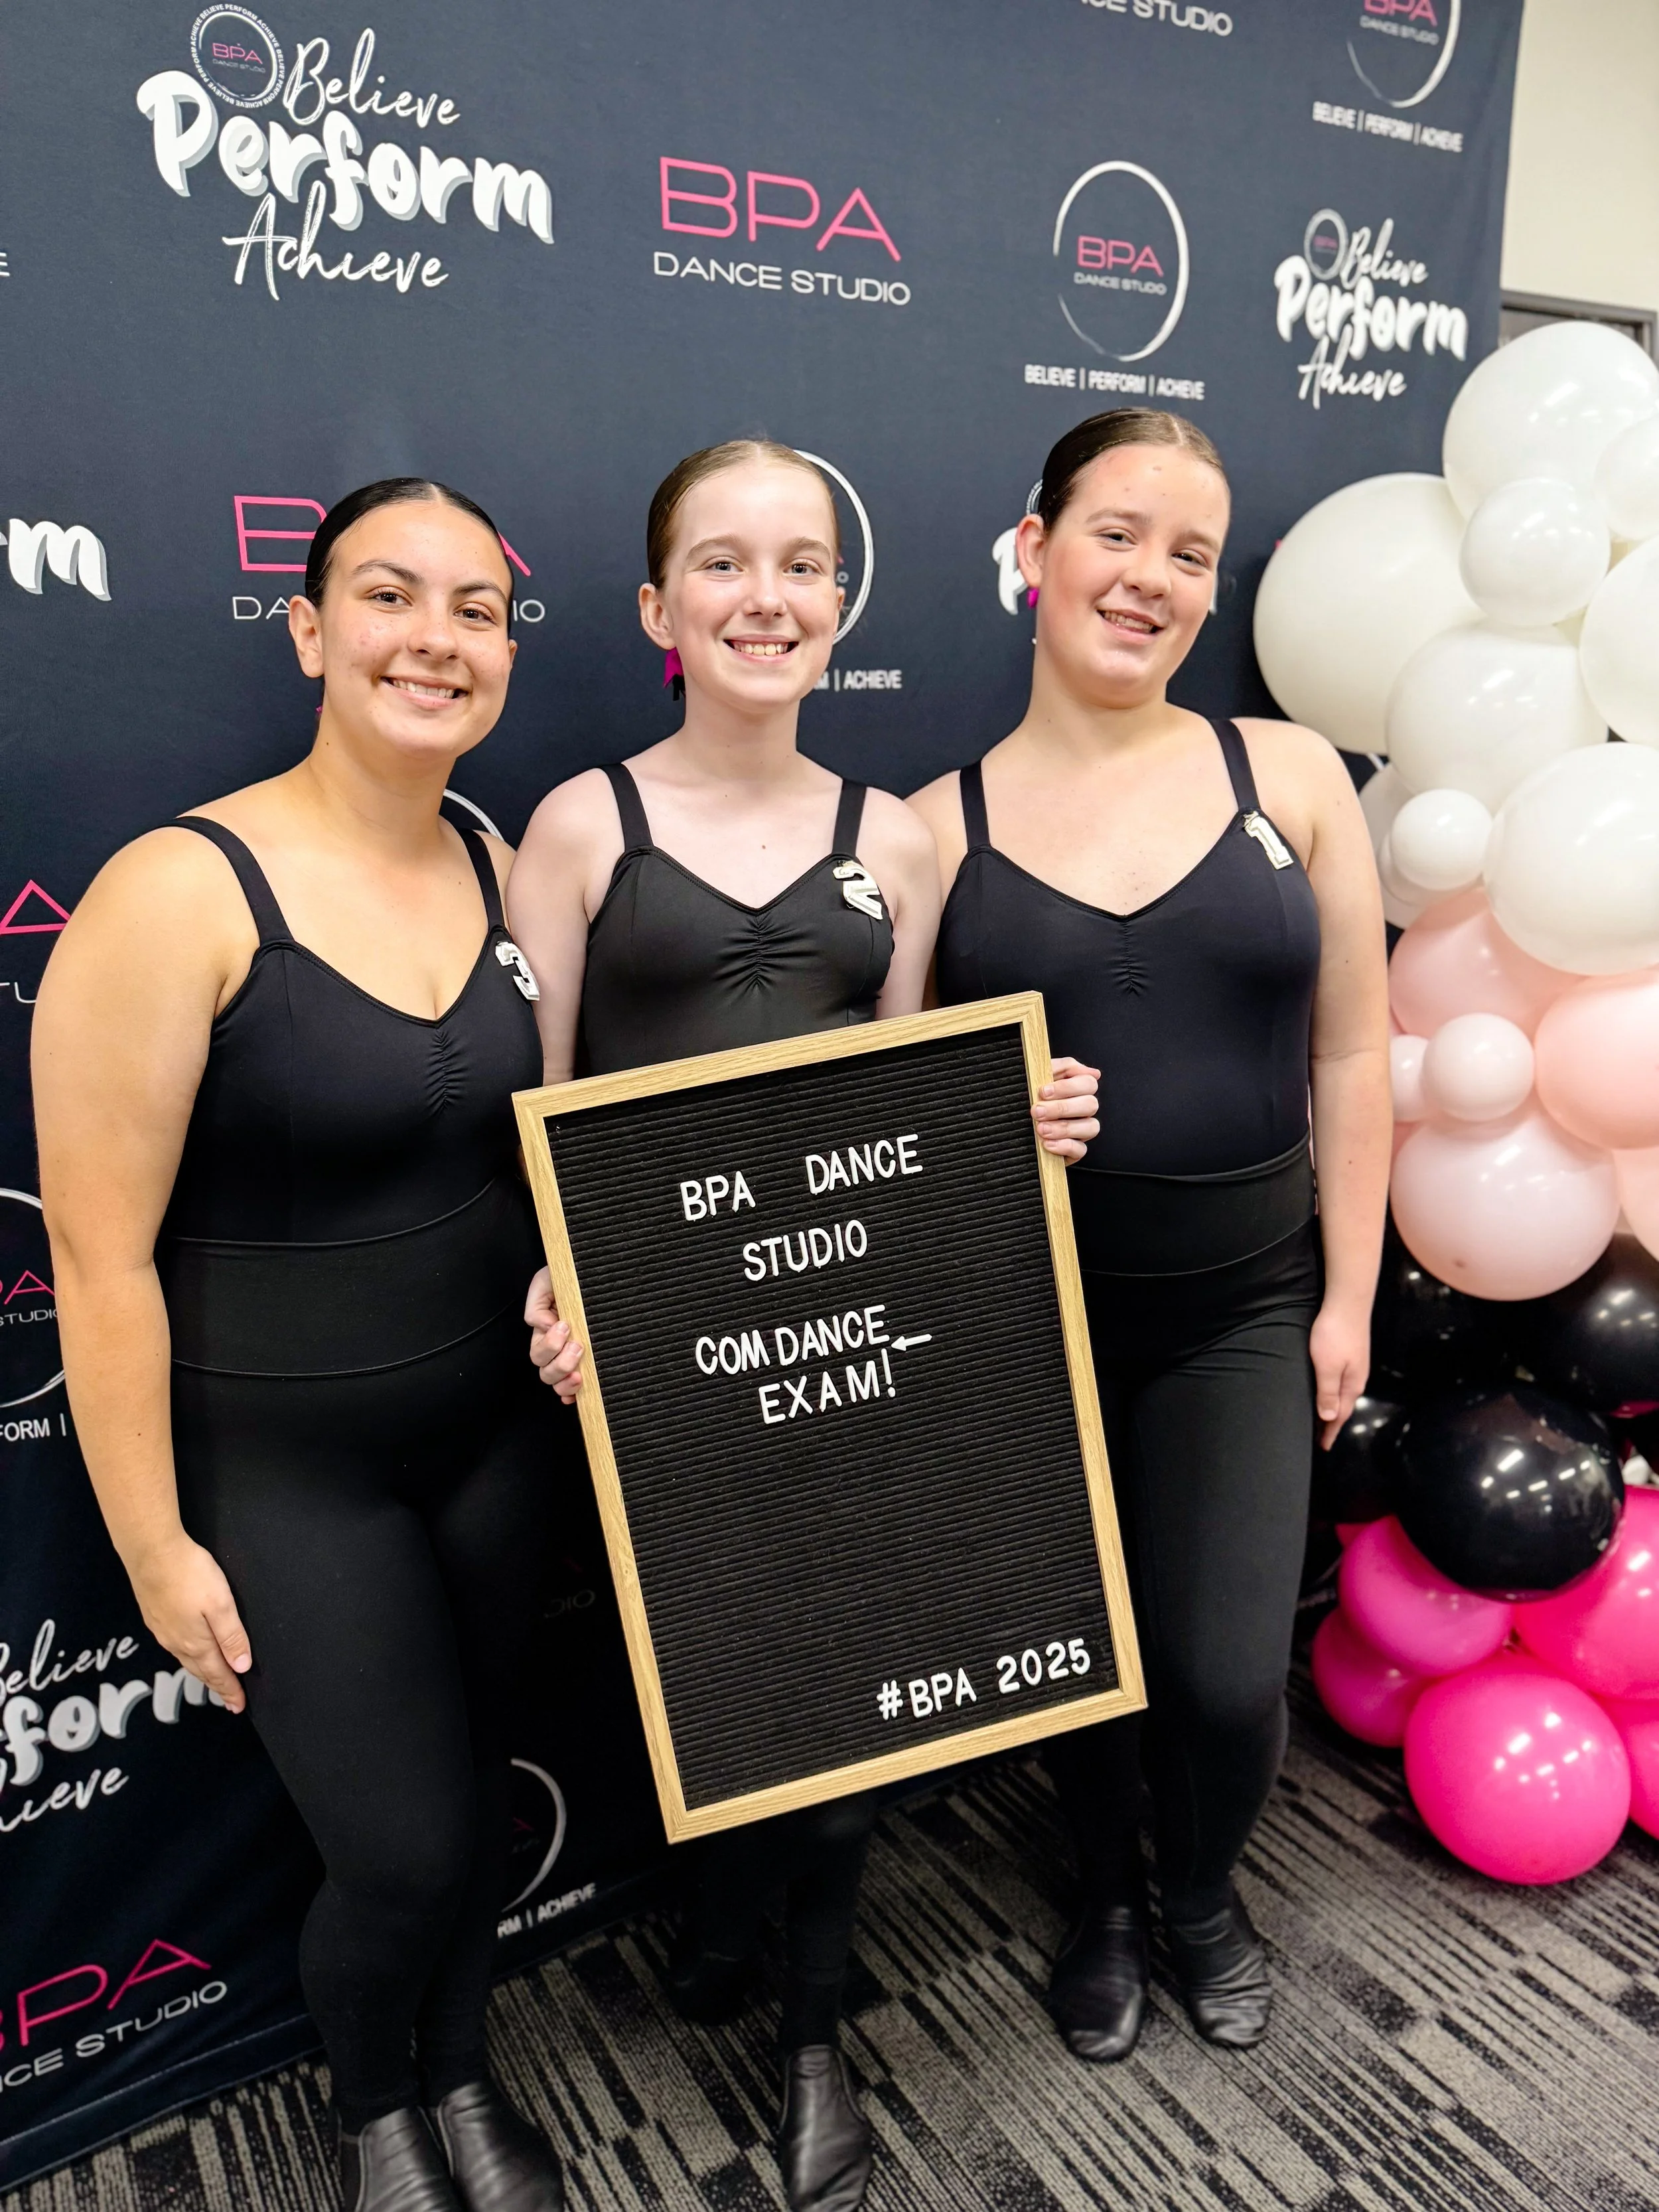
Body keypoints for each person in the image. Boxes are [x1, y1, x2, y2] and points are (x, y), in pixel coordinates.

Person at [507, 438, 1097, 2212]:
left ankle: (818, 2028)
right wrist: (562, 1284)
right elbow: (532, 1115)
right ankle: (715, 1908)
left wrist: (1018, 1123)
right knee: (699, 1666)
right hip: (662, 1358)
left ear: (839, 604)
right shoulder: (580, 824)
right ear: (656, 608)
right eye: (721, 564)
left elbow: (901, 1114)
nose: (763, 596)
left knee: (851, 1694)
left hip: (853, 1346)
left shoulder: (894, 838)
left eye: (798, 564)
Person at [33, 481, 570, 2212]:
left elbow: (524, 1149)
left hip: (497, 1435)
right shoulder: (177, 890)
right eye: (390, 596)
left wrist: (575, 1277)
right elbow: (99, 1261)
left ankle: (467, 2066)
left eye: (474, 610)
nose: (435, 637)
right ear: (311, 629)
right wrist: (150, 1542)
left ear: (504, 646)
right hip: (286, 1471)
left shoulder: (493, 856)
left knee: (479, 1803)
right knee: (400, 1848)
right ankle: (372, 2103)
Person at [910, 409, 1390, 2063]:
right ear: (1032, 548)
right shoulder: (930, 828)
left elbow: (1346, 1050)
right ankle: (1102, 1895)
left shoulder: (1294, 776)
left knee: (1220, 1674)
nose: (1151, 580)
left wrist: (1347, 1297)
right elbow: (877, 1123)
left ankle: (1199, 1887)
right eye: (1117, 534)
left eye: (1190, 554)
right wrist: (980, 1120)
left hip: (1247, 1307)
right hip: (1026, 1318)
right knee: (1081, 1658)